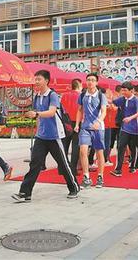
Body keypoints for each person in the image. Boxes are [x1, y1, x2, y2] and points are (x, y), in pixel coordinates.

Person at [12, 70, 79, 202]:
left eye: (39, 79)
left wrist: (37, 114)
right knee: (35, 164)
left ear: (46, 81)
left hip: (55, 136)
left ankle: (74, 187)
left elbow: (52, 112)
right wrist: (37, 128)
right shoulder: (37, 96)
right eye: (35, 79)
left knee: (63, 164)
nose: (36, 82)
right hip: (41, 137)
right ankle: (25, 193)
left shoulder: (52, 95)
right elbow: (38, 115)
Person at [110, 82, 138, 177]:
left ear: (131, 91)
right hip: (125, 128)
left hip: (135, 129)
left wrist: (130, 118)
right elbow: (114, 102)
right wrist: (109, 99)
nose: (123, 92)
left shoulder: (137, 100)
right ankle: (118, 170)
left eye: (125, 90)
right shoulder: (123, 99)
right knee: (121, 147)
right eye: (122, 90)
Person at [75, 73, 107, 188]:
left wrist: (98, 122)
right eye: (88, 80)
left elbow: (104, 111)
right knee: (83, 151)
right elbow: (79, 110)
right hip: (85, 127)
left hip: (98, 128)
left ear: (96, 82)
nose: (90, 82)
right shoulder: (83, 94)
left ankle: (100, 176)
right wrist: (77, 124)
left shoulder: (101, 95)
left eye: (93, 80)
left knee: (99, 152)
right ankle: (86, 177)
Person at [60, 78, 82, 177]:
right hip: (77, 122)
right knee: (75, 146)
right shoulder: (81, 96)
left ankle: (62, 168)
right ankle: (73, 169)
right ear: (78, 85)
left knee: (64, 145)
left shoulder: (64, 95)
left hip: (65, 122)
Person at [103, 88, 117, 167]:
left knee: (106, 143)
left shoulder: (105, 101)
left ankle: (104, 159)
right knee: (106, 143)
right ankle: (105, 159)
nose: (110, 94)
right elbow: (113, 108)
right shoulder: (105, 102)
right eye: (109, 92)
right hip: (106, 125)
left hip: (107, 124)